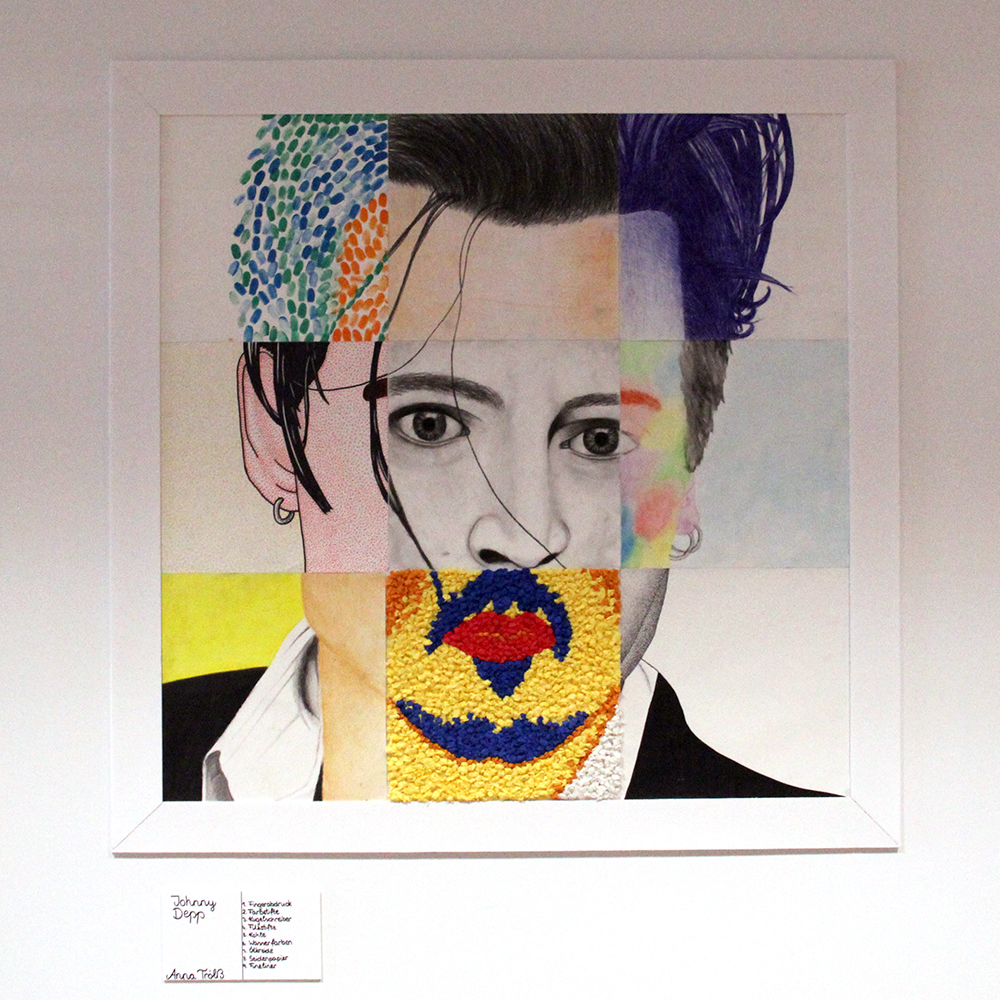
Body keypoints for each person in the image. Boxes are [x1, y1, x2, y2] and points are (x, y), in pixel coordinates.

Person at [162, 113, 831, 801]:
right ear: (277, 432)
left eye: (600, 439)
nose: (523, 534)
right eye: (430, 425)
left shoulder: (811, 846)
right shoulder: (123, 759)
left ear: (687, 475)